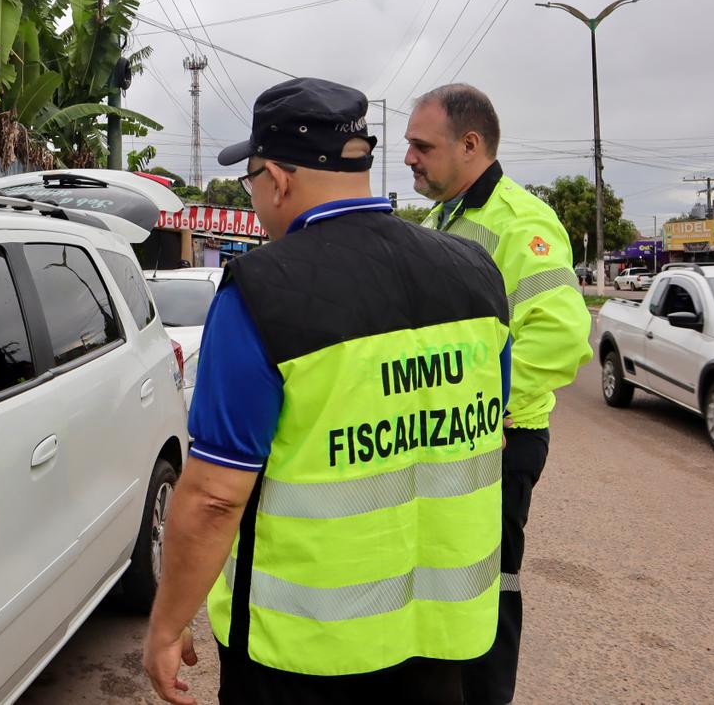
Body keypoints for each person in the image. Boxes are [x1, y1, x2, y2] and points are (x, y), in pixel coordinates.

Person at [143, 77, 513, 705]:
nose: (255, 196)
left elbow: (212, 498)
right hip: (445, 636)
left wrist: (165, 624)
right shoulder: (477, 273)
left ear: (279, 179)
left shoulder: (261, 291)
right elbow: (475, 428)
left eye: (252, 179)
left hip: (305, 654)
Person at [404, 83, 593, 705]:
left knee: (487, 588)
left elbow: (560, 337)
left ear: (470, 143)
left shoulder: (522, 221)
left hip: (500, 440)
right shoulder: (439, 220)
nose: (409, 157)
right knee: (438, 581)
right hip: (447, 437)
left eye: (420, 146)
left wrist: (482, 412)